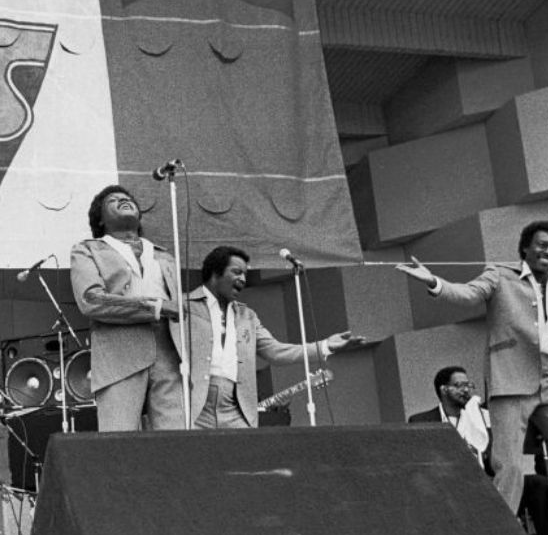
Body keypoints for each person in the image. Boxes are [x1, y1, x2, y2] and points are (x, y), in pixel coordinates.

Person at [398, 220, 548, 535]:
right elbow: (467, 293)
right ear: (525, 248)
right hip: (511, 383)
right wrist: (435, 283)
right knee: (509, 467)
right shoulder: (500, 277)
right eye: (542, 245)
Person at [175, 246, 364, 429]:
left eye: (245, 275)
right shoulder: (182, 306)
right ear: (215, 273)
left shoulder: (247, 316)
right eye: (236, 272)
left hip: (236, 408)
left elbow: (276, 352)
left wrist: (325, 346)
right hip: (192, 405)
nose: (242, 279)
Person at [69, 185, 183, 431]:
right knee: (119, 444)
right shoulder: (88, 249)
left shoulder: (164, 255)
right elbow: (92, 299)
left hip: (171, 355)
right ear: (99, 219)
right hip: (119, 358)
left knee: (177, 444)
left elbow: (179, 308)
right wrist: (154, 307)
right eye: (113, 200)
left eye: (127, 199)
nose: (123, 200)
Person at [408, 366, 493, 475]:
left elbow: (492, 463)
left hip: (478, 482)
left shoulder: (481, 418)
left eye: (468, 385)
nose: (466, 390)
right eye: (459, 386)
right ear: (443, 389)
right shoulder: (420, 422)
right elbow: (419, 465)